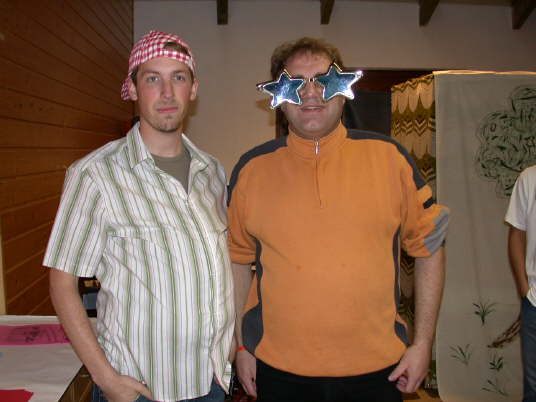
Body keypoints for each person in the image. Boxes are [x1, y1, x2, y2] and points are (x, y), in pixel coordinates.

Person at [227, 37, 449, 402]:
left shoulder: (391, 159)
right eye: (296, 83)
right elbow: (237, 261)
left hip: (377, 370)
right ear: (279, 98)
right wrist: (241, 346)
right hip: (279, 371)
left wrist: (423, 343)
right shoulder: (251, 170)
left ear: (344, 92)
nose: (310, 93)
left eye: (323, 80)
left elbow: (430, 247)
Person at [44, 30, 234, 402]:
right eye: (152, 79)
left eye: (178, 77)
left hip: (210, 380)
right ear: (132, 89)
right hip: (140, 387)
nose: (167, 92)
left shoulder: (212, 172)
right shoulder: (95, 174)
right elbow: (61, 283)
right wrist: (106, 378)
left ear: (193, 89)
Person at [505, 166, 536, 402]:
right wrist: (524, 289)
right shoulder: (529, 178)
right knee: (533, 387)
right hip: (535, 302)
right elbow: (516, 235)